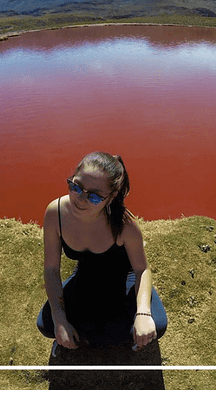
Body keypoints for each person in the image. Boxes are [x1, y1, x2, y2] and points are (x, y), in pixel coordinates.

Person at [36, 151, 167, 355]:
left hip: (124, 280)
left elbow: (142, 269)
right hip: (85, 276)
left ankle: (124, 333)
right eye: (76, 187)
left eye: (94, 196)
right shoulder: (56, 213)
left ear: (111, 196)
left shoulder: (125, 225)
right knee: (47, 325)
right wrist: (60, 318)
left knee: (156, 325)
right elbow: (51, 268)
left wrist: (142, 313)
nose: (80, 199)